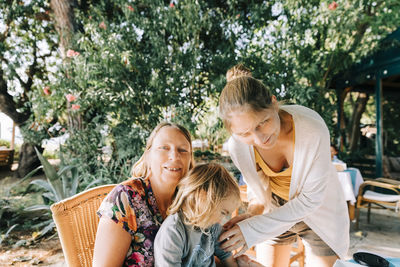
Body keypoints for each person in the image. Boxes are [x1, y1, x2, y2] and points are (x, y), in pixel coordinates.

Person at [217, 64, 349, 267]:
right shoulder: (238, 146)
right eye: (245, 133)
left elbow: (309, 200)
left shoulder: (312, 129)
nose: (259, 139)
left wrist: (254, 228)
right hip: (275, 211)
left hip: (320, 210)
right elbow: (258, 188)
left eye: (263, 123)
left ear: (273, 103)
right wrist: (252, 215)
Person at [93, 122, 194, 266]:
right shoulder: (125, 198)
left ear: (190, 160)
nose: (175, 156)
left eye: (183, 150)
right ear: (148, 155)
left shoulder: (191, 200)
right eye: (164, 148)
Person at [154, 163, 241, 267]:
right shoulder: (173, 231)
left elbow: (225, 255)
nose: (222, 220)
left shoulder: (212, 226)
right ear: (202, 197)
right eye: (223, 213)